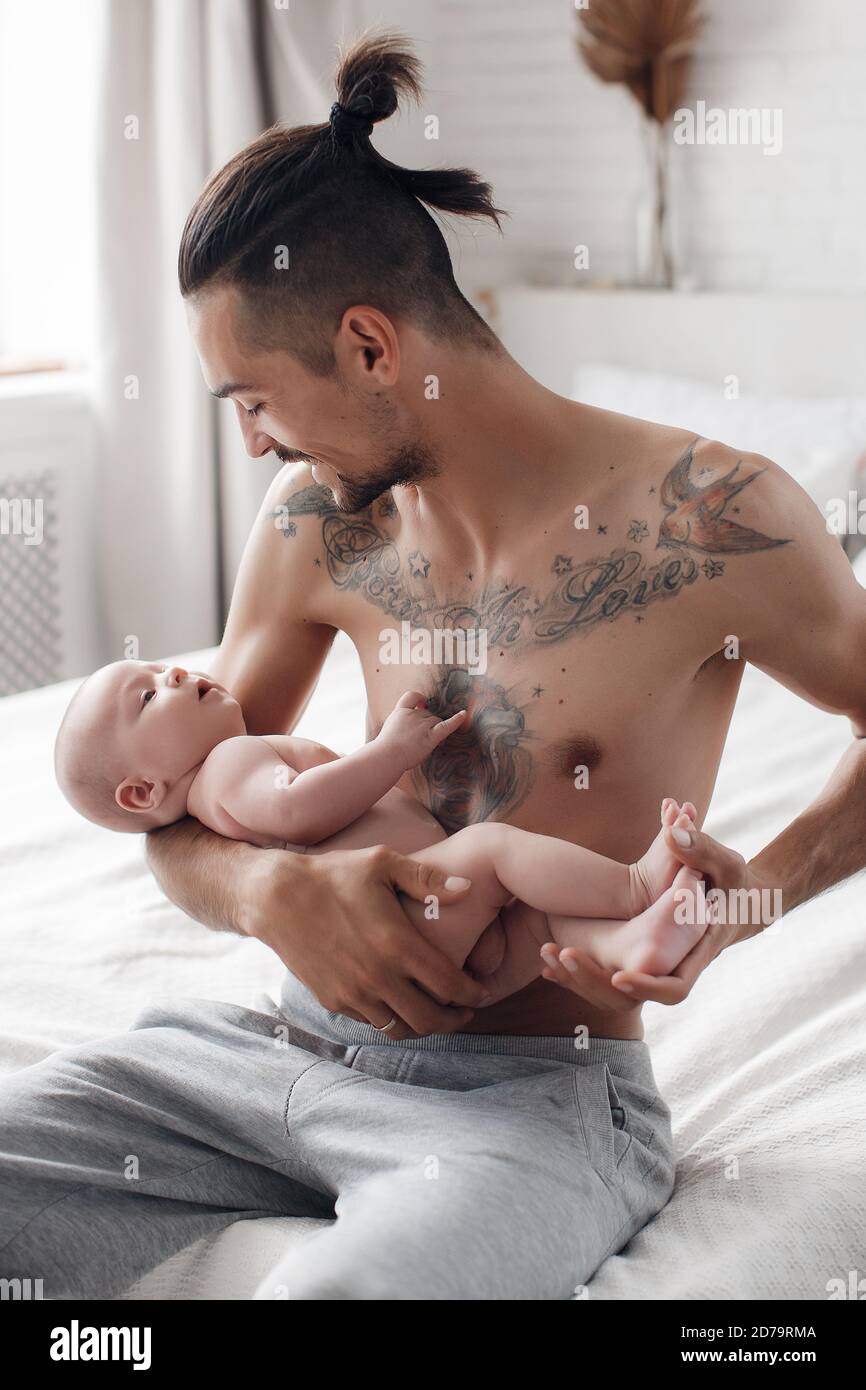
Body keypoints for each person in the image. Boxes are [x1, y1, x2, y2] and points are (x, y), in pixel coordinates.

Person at [3, 32, 866, 1301]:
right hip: (263, 1048)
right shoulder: (313, 525)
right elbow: (188, 806)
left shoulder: (713, 518)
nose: (251, 444)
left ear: (365, 343)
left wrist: (747, 901)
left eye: (252, 399)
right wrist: (263, 898)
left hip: (526, 1102)